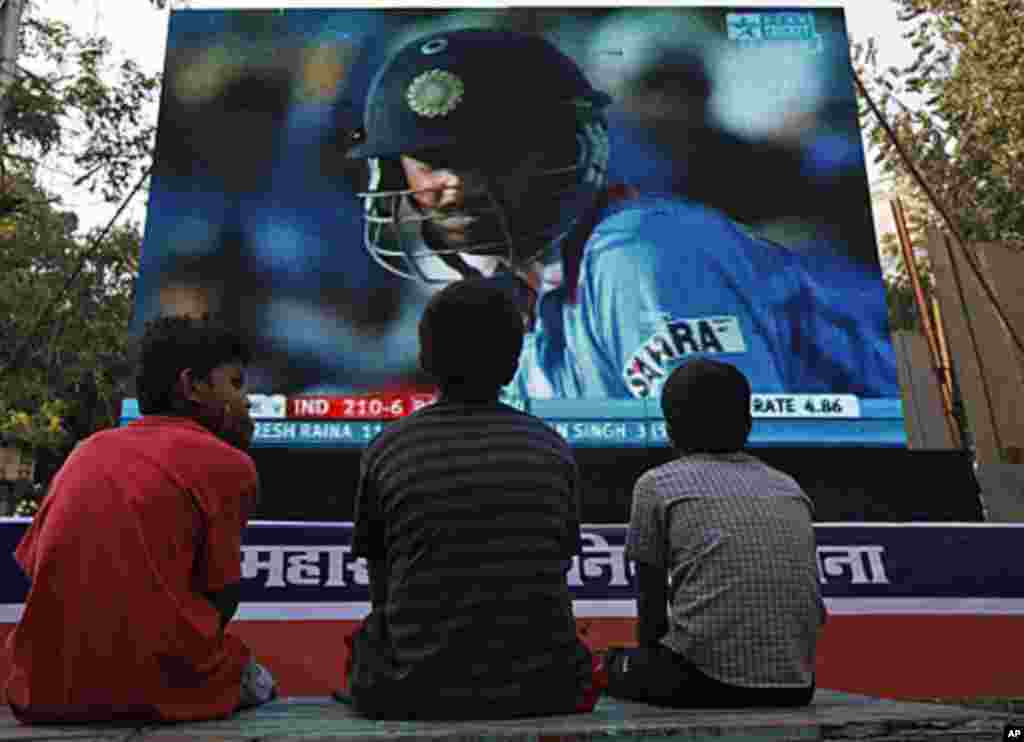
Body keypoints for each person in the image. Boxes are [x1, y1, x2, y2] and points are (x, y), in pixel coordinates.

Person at [343, 27, 899, 403]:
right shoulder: (534, 291)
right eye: (433, 161)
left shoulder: (638, 256)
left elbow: (736, 468)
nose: (456, 185)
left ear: (559, 149)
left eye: (483, 153)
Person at [339, 279, 602, 719]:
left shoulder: (389, 447)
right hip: (548, 688)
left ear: (424, 358)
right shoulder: (551, 447)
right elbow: (555, 568)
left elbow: (382, 592)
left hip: (417, 691)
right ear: (515, 363)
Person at [5, 315, 277, 724]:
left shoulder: (86, 450)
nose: (248, 401)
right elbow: (223, 600)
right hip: (157, 690)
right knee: (261, 680)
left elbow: (38, 572)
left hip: (43, 692)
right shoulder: (229, 464)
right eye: (236, 384)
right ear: (192, 387)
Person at [606, 358, 825, 707]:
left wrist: (649, 667)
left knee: (605, 666)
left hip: (701, 683)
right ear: (749, 423)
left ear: (670, 429)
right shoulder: (789, 487)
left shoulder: (657, 484)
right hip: (796, 686)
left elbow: (650, 609)